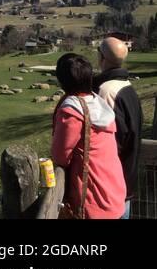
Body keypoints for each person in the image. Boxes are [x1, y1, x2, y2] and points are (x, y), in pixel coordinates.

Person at [50, 53, 125, 219]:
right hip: (115, 192)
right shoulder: (99, 103)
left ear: (63, 80)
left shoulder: (72, 112)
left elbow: (60, 156)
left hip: (93, 201)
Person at [95, 37, 144, 219]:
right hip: (126, 180)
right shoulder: (127, 86)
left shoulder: (105, 92)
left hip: (110, 187)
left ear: (102, 58)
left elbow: (107, 142)